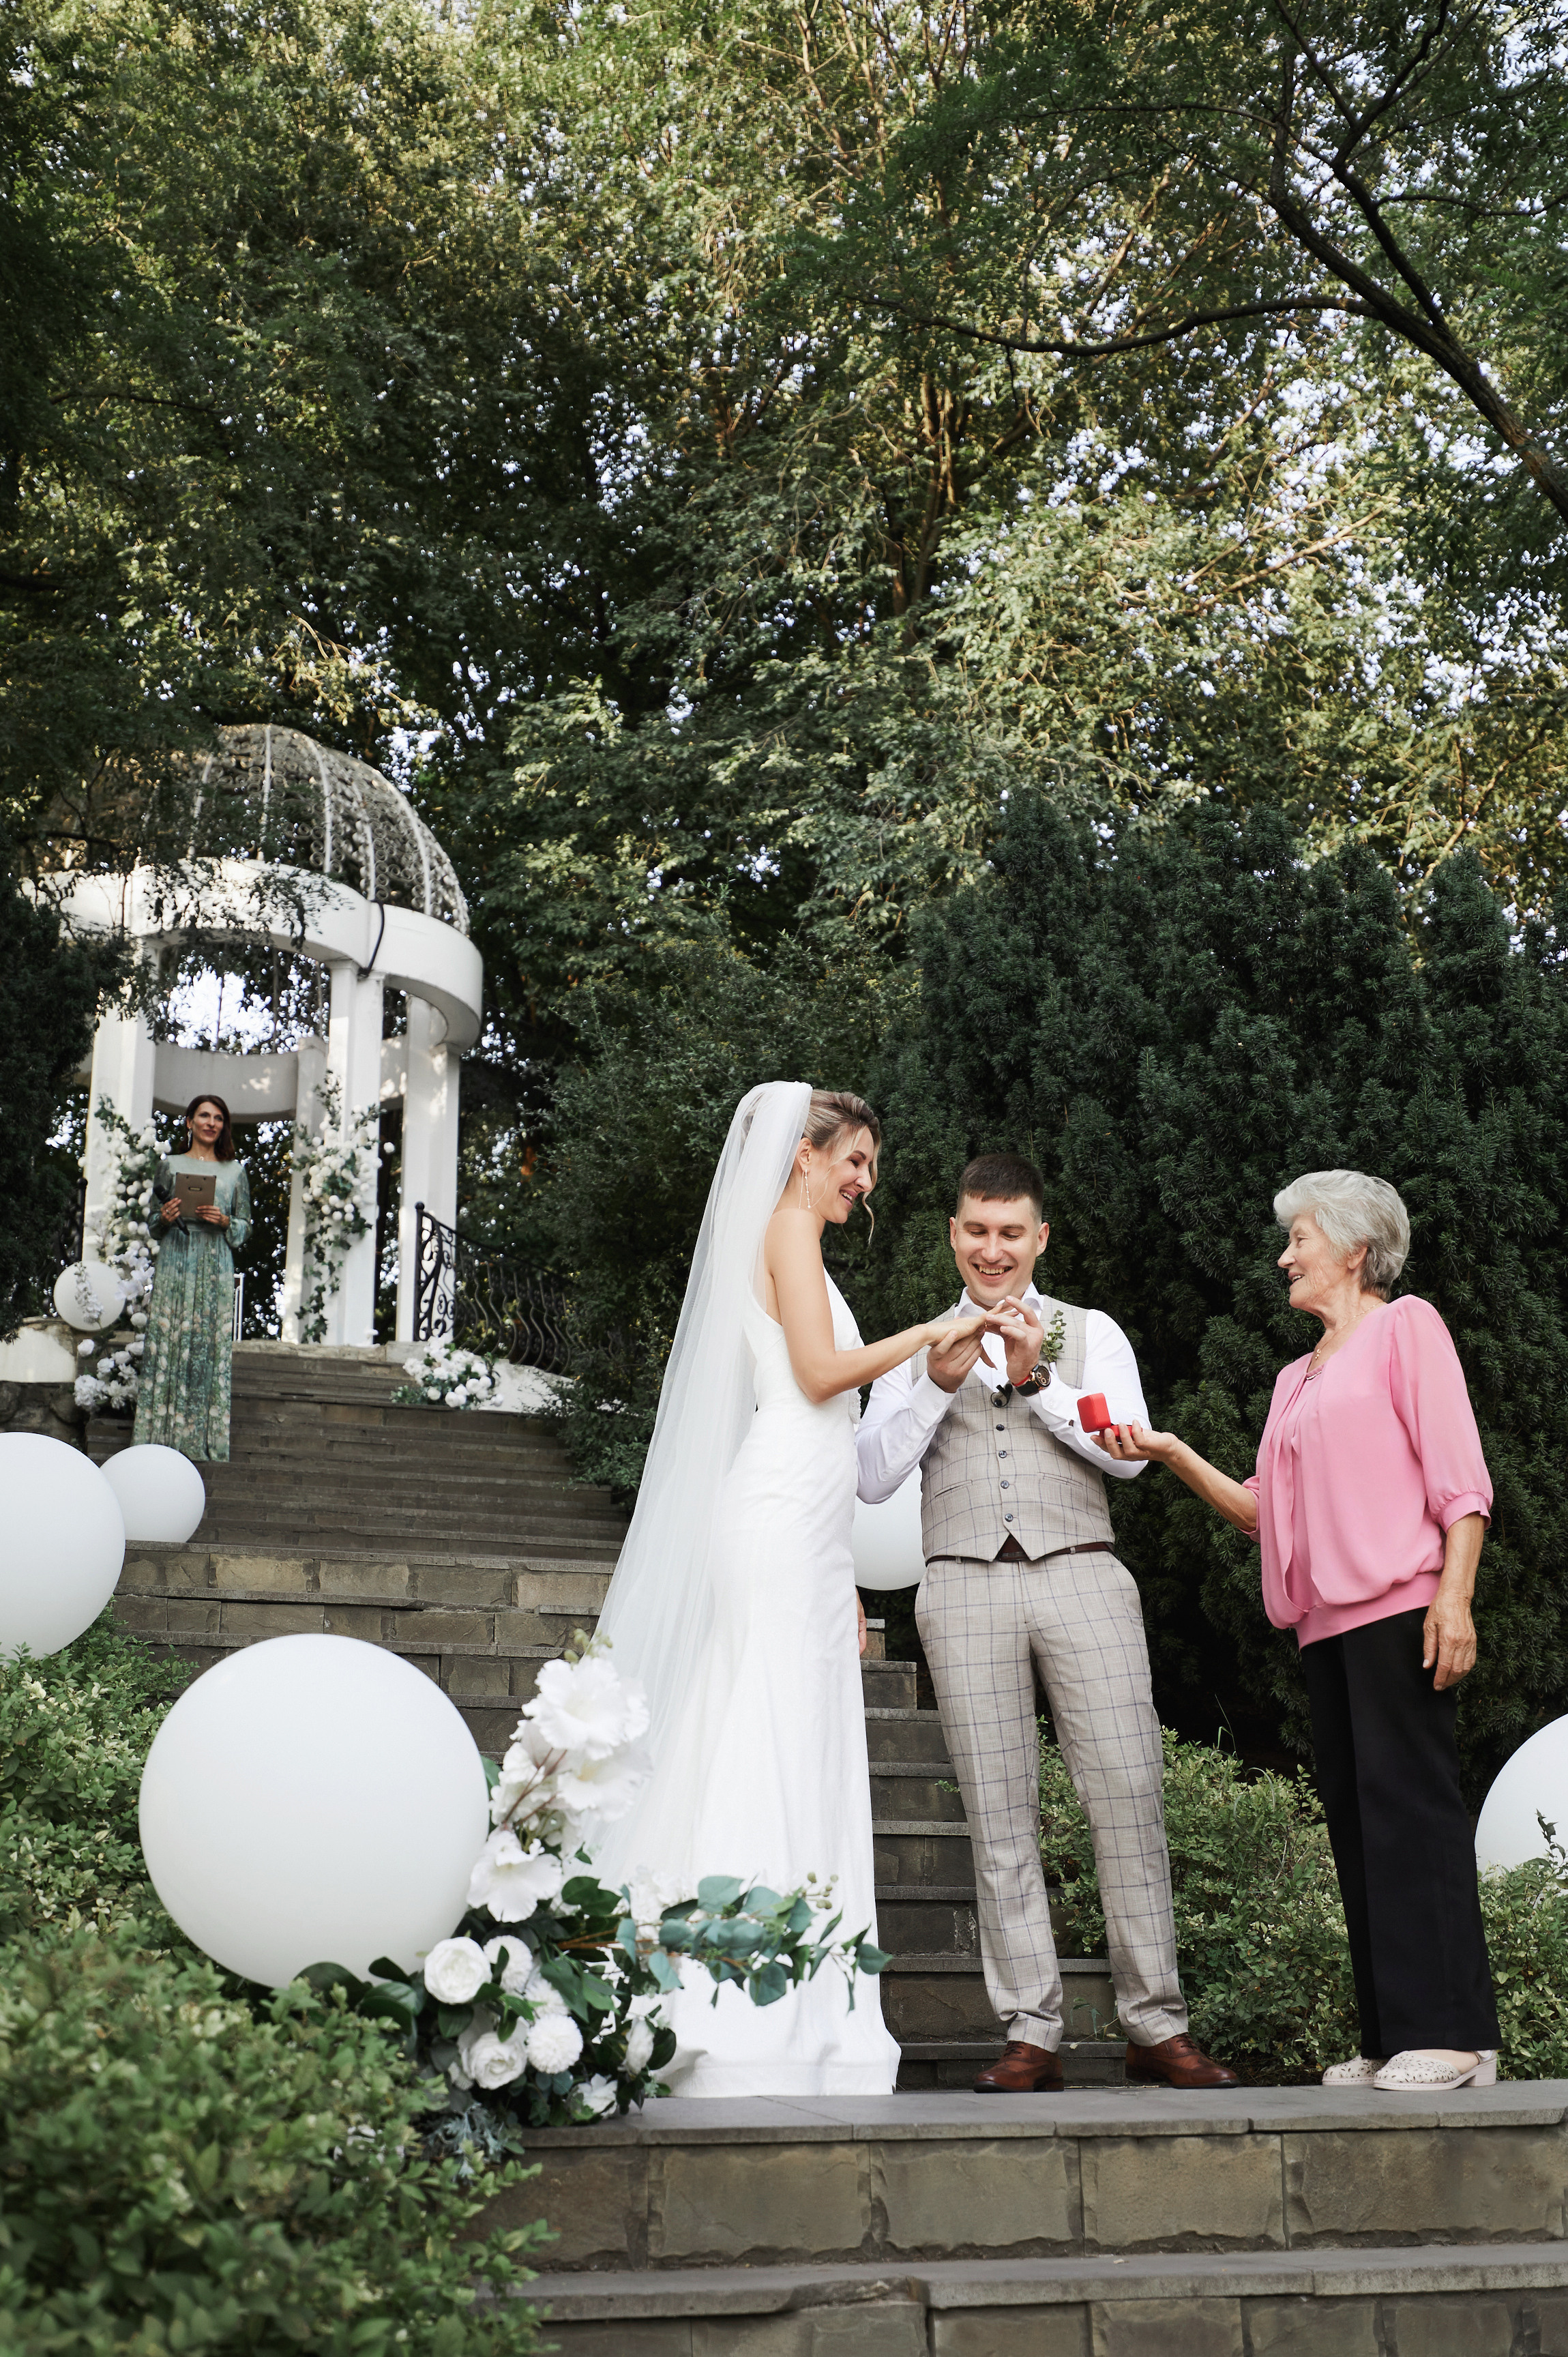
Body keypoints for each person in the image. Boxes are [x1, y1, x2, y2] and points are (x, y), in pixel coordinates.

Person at [591, 1083, 977, 2096]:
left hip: (804, 1528)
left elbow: (827, 1428)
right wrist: (935, 1330)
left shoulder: (790, 1231)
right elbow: (813, 1376)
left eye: (868, 1169)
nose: (862, 1182)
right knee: (762, 1730)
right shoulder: (788, 1228)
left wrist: (837, 1566)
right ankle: (734, 2003)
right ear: (801, 1152)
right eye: (852, 1159)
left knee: (791, 1733)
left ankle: (806, 2005)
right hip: (772, 1507)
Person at [1099, 1169, 1500, 2094]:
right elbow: (1260, 1512)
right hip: (1323, 1630)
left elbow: (1459, 1480)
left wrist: (1454, 1596)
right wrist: (1166, 1450)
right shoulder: (1294, 1376)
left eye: (1299, 1238)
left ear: (1354, 1249)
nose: (1283, 1255)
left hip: (1401, 1607)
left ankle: (1451, 2034)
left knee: (1412, 1814)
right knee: (1359, 1827)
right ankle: (1392, 2031)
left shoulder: (1406, 1328)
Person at [857, 1152, 1237, 2093]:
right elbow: (869, 1475)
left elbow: (1128, 1458)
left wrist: (1036, 1384)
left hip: (1081, 1574)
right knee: (996, 1813)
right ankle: (1030, 2029)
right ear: (953, 1232)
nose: (992, 1249)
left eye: (1010, 1231)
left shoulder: (1090, 1331)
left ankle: (1155, 2022)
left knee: (1127, 1799)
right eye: (975, 1230)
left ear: (1039, 1237)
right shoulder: (913, 1345)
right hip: (961, 1582)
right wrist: (940, 1383)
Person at [133, 1094, 251, 1463]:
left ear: (223, 1127)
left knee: (207, 1346)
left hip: (216, 1260)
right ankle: (158, 1436)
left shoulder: (235, 1171)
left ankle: (204, 1438)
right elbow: (153, 1225)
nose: (211, 1123)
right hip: (177, 1258)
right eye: (204, 1115)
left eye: (218, 1118)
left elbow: (246, 1228)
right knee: (169, 1338)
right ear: (189, 1122)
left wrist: (227, 1221)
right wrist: (165, 1216)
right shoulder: (170, 1165)